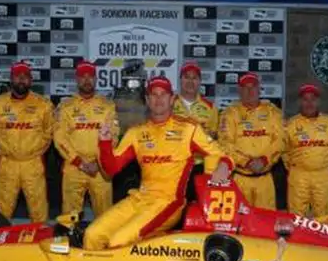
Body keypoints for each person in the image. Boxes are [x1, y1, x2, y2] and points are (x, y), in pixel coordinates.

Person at [82, 76, 234, 250]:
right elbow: (111, 169)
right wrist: (105, 143)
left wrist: (223, 166)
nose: (158, 99)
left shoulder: (189, 129)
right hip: (139, 199)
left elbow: (223, 155)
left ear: (171, 99)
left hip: (168, 203)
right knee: (92, 235)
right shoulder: (136, 133)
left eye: (163, 94)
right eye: (153, 95)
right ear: (147, 100)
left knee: (119, 241)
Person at [0, 61, 54, 223]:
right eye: (18, 76)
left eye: (25, 77)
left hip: (33, 163)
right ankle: (0, 243)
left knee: (38, 208)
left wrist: (34, 150)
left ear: (31, 81)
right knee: (3, 209)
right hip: (7, 163)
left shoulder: (43, 105)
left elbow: (49, 132)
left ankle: (39, 242)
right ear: (11, 79)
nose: (21, 80)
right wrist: (7, 147)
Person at [54, 60, 119, 217]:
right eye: (83, 76)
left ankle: (102, 242)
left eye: (90, 76)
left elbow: (114, 136)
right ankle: (70, 240)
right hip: (74, 167)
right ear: (77, 80)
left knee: (105, 216)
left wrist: (98, 162)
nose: (87, 80)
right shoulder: (65, 107)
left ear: (96, 79)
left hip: (100, 168)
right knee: (69, 217)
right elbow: (59, 138)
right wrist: (79, 162)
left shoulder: (108, 106)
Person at [218, 72, 283, 209]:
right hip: (240, 178)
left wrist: (264, 159)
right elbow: (225, 143)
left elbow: (280, 140)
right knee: (239, 223)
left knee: (266, 223)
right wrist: (246, 161)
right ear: (239, 91)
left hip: (265, 180)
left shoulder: (273, 112)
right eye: (245, 87)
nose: (249, 91)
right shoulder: (230, 113)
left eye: (253, 87)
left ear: (259, 89)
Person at [283, 84, 328, 217]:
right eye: (305, 99)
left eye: (313, 99)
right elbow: (284, 150)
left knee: (324, 216)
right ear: (300, 102)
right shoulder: (290, 125)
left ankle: (321, 238)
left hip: (322, 175)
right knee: (296, 217)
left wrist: (322, 162)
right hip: (298, 175)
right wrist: (294, 167)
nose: (309, 103)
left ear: (318, 101)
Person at [172, 61, 219, 201]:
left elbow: (215, 139)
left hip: (200, 167)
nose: (190, 81)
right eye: (187, 77)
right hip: (174, 166)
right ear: (180, 80)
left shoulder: (210, 107)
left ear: (200, 82)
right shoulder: (168, 103)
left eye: (194, 78)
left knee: (198, 208)